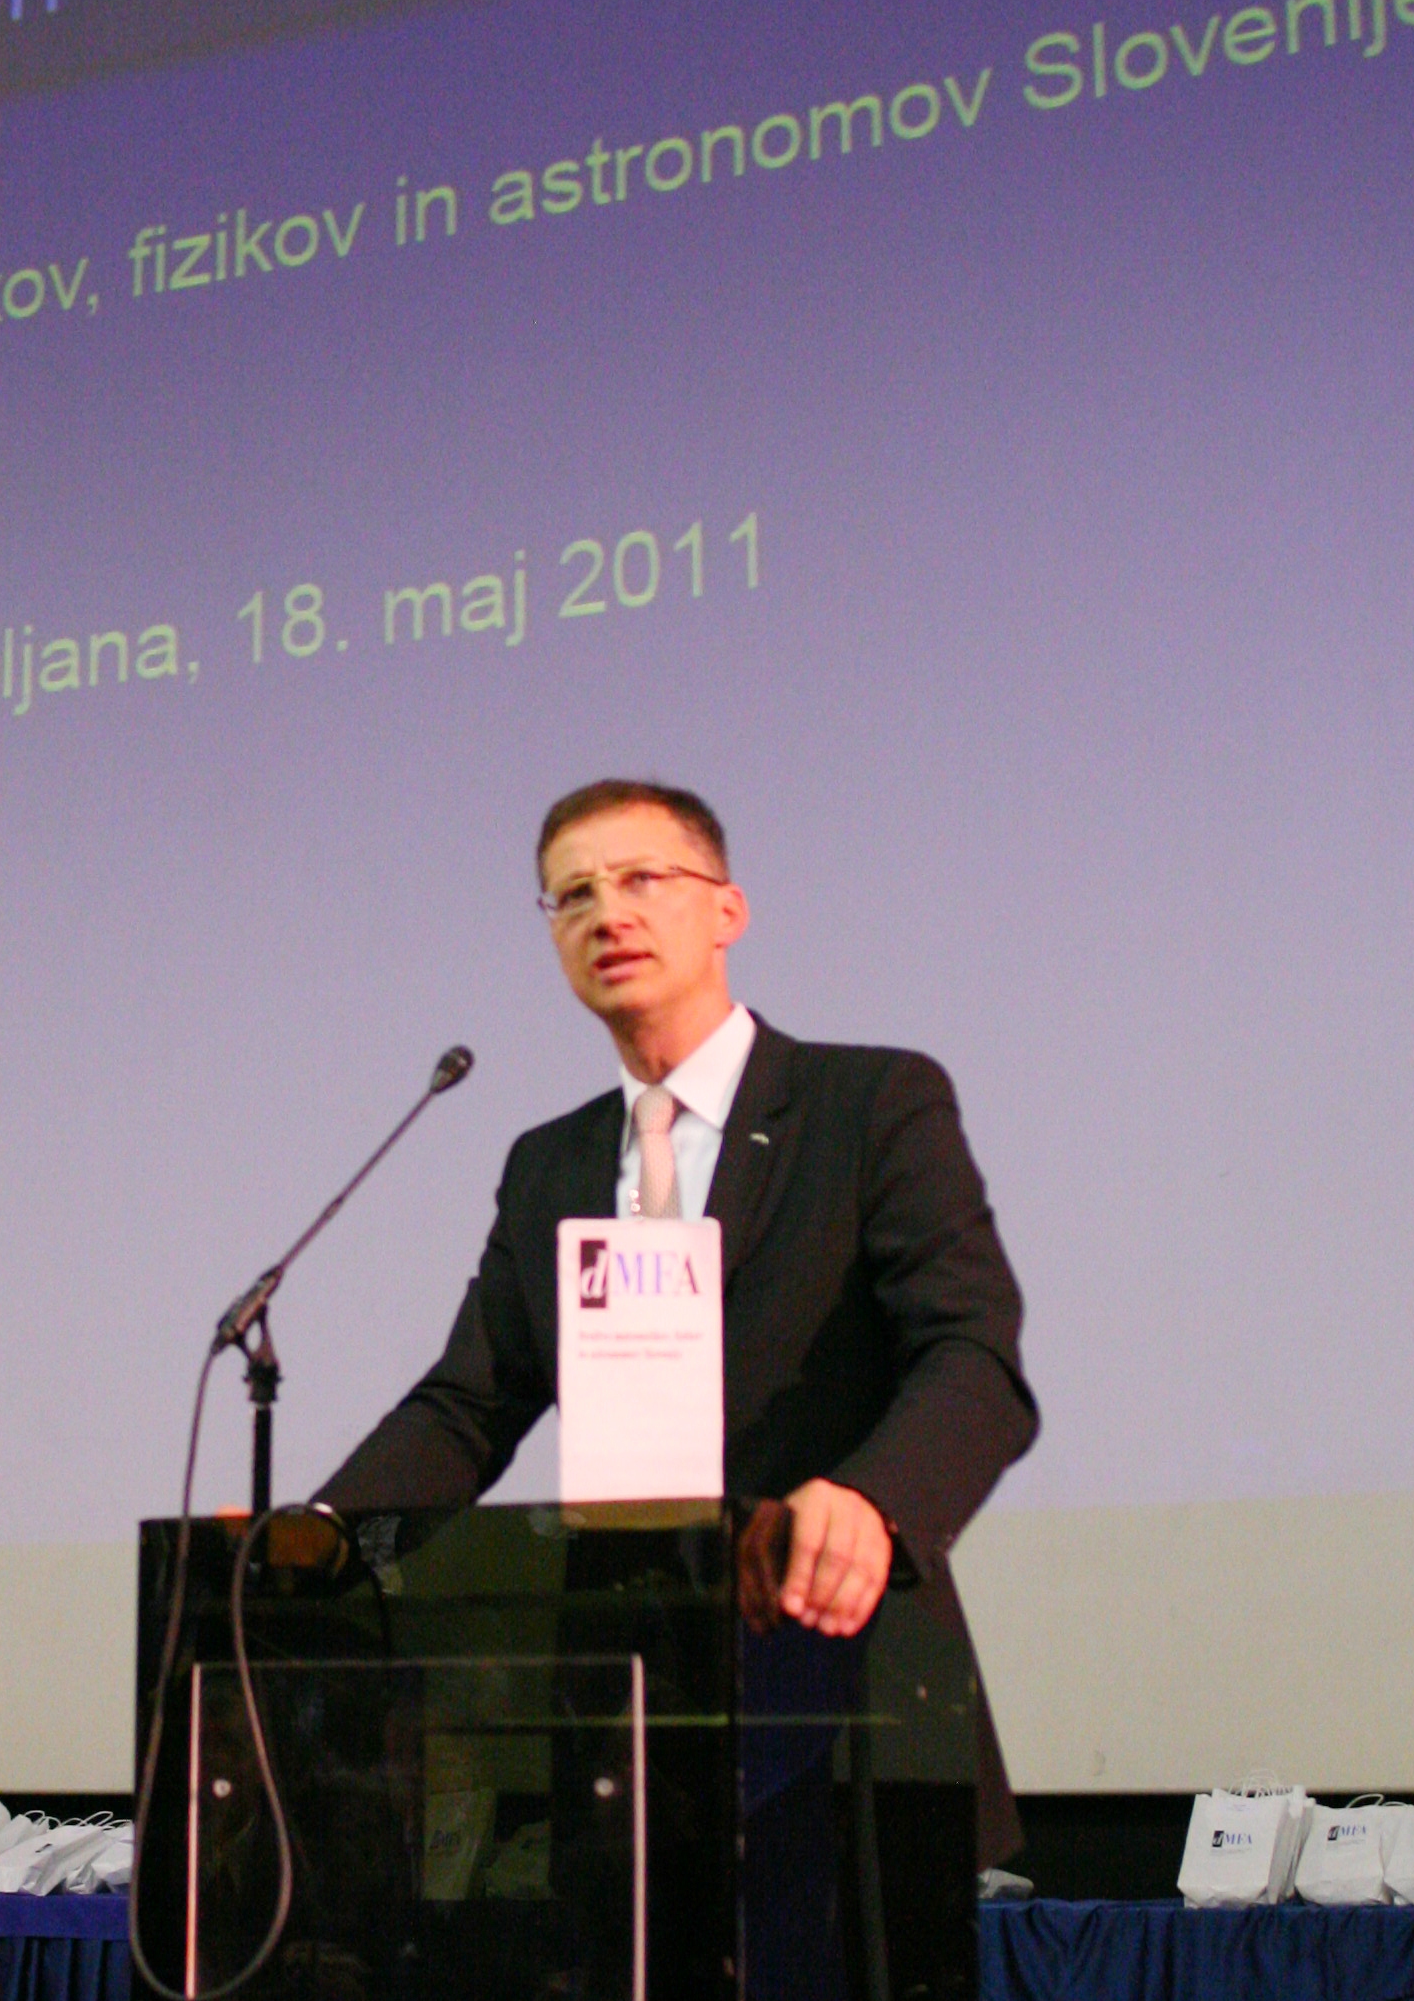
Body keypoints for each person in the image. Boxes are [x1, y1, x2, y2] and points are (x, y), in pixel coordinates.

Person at [316, 778, 1038, 1857]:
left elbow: (971, 1354)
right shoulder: (549, 1163)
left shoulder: (868, 1105)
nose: (608, 914)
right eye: (573, 896)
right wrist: (322, 1538)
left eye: (642, 879)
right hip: (624, 1721)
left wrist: (872, 1501)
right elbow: (468, 1404)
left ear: (726, 910)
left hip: (841, 1685)